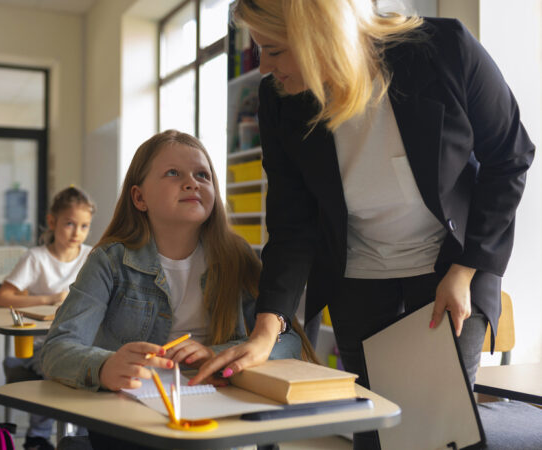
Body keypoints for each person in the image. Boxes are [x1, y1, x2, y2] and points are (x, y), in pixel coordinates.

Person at [194, 1, 534, 447]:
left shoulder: (445, 50)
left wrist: (466, 270)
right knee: (374, 435)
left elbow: (509, 158)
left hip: (450, 272)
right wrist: (267, 326)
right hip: (358, 279)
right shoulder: (279, 100)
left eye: (274, 51)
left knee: (436, 435)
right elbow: (292, 222)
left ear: (320, 36)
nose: (264, 68)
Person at [40, 130, 312, 450]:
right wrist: (104, 366)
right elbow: (56, 349)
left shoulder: (237, 258)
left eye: (202, 175)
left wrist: (222, 353)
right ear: (139, 198)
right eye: (173, 173)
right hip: (132, 425)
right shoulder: (109, 261)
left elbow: (289, 341)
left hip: (220, 420)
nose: (191, 182)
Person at [0, 186, 95, 450]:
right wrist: (48, 299)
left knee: (95, 371)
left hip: (83, 342)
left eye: (84, 226)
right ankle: (38, 436)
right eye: (70, 224)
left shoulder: (92, 256)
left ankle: (83, 436)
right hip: (43, 345)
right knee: (60, 371)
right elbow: (3, 298)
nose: (77, 233)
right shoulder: (35, 258)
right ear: (52, 222)